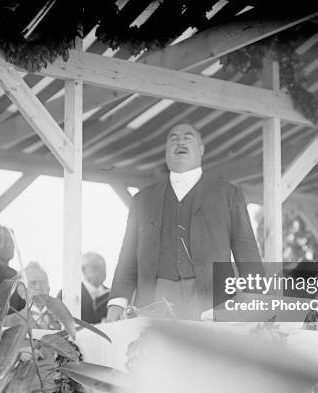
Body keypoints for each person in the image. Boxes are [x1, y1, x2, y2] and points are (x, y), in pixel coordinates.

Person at [107, 122, 262, 321]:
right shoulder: (142, 200)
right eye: (173, 138)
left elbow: (247, 254)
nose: (180, 141)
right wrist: (117, 302)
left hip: (212, 301)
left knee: (206, 353)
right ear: (166, 152)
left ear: (201, 149)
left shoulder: (228, 194)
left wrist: (256, 303)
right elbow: (127, 258)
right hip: (154, 300)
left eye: (188, 137)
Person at [57, 252, 110, 324]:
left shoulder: (112, 295)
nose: (101, 271)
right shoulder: (66, 293)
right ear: (83, 270)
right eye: (96, 268)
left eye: (103, 267)